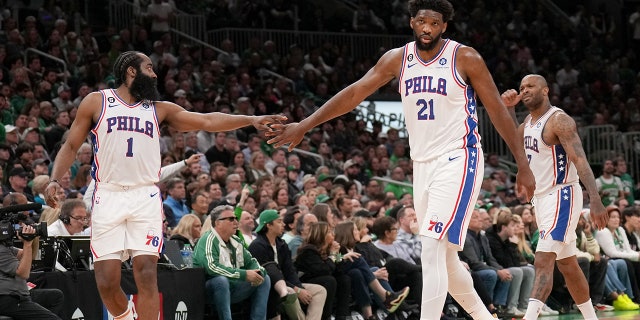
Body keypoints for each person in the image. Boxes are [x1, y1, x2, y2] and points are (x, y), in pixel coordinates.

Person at [267, 1, 535, 318]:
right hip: (421, 165)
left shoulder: (464, 57)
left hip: (459, 158)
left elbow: (497, 110)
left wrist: (523, 164)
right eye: (421, 21)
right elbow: (354, 93)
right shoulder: (398, 59)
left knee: (431, 247)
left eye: (434, 23)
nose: (427, 28)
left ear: (444, 26)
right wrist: (305, 124)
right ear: (411, 22)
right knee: (446, 260)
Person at [43, 51, 286, 320]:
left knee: (147, 273)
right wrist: (54, 178)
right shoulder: (97, 102)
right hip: (108, 193)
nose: (156, 74)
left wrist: (250, 121)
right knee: (106, 282)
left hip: (144, 195)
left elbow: (207, 119)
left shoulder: (159, 109)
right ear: (131, 71)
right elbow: (71, 145)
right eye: (149, 67)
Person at [501, 74, 608, 320]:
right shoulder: (526, 123)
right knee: (568, 265)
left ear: (546, 90)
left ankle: (529, 317)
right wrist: (508, 110)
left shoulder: (559, 120)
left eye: (530, 86)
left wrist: (595, 198)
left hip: (563, 194)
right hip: (542, 199)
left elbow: (579, 159)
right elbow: (514, 146)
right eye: (521, 87)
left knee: (543, 258)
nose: (524, 90)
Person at [193, 205, 271, 320]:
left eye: (235, 218)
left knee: (264, 279)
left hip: (232, 288)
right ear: (217, 223)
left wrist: (259, 272)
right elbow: (211, 267)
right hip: (208, 291)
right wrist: (244, 274)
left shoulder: (236, 240)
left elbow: (251, 261)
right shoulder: (207, 240)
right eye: (231, 219)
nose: (236, 222)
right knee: (221, 281)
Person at [248, 209, 327, 320]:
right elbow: (270, 276)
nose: (283, 224)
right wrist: (297, 290)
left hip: (288, 284)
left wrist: (299, 288)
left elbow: (289, 270)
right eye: (279, 221)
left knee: (320, 290)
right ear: (269, 225)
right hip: (271, 287)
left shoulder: (282, 244)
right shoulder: (257, 246)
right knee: (290, 293)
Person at [0, 224, 63, 319]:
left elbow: (30, 256)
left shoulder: (6, 248)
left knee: (56, 296)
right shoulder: (1, 250)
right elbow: (24, 274)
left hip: (20, 294)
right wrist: (27, 243)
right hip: (8, 298)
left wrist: (33, 238)